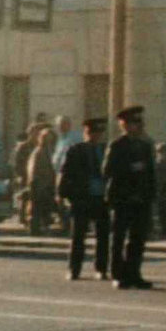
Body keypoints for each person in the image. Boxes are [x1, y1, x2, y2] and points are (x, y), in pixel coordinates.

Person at [103, 104, 157, 290]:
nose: (138, 126)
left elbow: (150, 172)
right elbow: (107, 170)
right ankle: (118, 274)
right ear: (124, 125)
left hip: (141, 198)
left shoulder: (144, 145)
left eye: (139, 122)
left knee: (138, 238)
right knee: (118, 237)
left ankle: (134, 273)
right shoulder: (117, 145)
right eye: (134, 122)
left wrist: (150, 194)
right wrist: (129, 168)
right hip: (122, 198)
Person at [57, 118, 110, 280]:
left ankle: (101, 268)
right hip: (81, 198)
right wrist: (63, 194)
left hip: (101, 198)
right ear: (85, 133)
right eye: (91, 133)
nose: (94, 136)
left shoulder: (106, 149)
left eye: (98, 133)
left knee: (103, 235)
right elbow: (65, 173)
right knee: (78, 235)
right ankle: (74, 269)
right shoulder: (75, 150)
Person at [25, 126, 57, 235]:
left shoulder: (51, 150)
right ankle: (34, 228)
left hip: (49, 183)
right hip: (38, 184)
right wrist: (34, 182)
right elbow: (32, 169)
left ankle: (44, 226)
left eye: (50, 138)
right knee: (35, 207)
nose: (48, 140)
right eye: (46, 138)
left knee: (46, 207)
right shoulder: (38, 151)